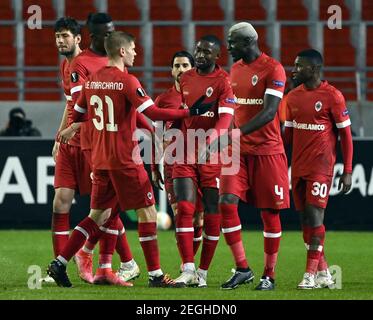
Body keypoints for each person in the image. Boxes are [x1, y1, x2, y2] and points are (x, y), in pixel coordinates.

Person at [47, 31, 214, 288]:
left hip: (101, 159)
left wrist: (69, 130)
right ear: (122, 51)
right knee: (147, 212)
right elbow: (154, 112)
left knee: (97, 216)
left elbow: (78, 113)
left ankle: (59, 262)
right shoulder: (127, 80)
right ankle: (156, 275)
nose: (137, 53)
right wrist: (190, 111)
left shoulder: (92, 80)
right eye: (134, 49)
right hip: (126, 159)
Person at [54, 14, 139, 286]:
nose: (111, 38)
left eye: (114, 32)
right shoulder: (78, 64)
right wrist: (61, 135)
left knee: (105, 209)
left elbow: (127, 106)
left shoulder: (116, 65)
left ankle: (112, 264)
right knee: (76, 205)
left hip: (95, 143)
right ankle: (76, 261)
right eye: (106, 33)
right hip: (86, 143)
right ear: (93, 36)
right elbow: (76, 106)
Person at [218, 22, 289, 291]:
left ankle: (269, 275)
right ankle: (243, 268)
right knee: (226, 202)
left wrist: (237, 134)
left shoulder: (273, 68)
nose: (228, 47)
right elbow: (234, 112)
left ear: (248, 42)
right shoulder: (234, 70)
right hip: (236, 151)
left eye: (232, 42)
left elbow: (270, 112)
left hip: (267, 151)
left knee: (269, 213)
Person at [284, 49, 353, 289]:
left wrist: (348, 170)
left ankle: (309, 275)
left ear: (314, 69)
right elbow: (288, 136)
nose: (294, 70)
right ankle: (324, 273)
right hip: (298, 167)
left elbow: (345, 135)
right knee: (304, 219)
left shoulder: (333, 96)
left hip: (321, 168)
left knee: (315, 216)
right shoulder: (292, 97)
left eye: (299, 66)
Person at [171, 35, 236, 287]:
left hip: (214, 153)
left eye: (206, 52)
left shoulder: (224, 81)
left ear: (216, 56)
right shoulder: (185, 78)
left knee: (211, 212)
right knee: (185, 208)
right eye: (198, 50)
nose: (200, 55)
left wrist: (211, 143)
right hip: (185, 150)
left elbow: (225, 119)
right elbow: (184, 113)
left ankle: (203, 272)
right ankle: (187, 268)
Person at [152, 50, 204, 264]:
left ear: (193, 68)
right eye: (177, 65)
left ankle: (188, 264)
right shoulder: (163, 99)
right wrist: (155, 167)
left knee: (199, 217)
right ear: (172, 70)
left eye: (185, 65)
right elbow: (156, 136)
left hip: (200, 162)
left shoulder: (203, 96)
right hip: (173, 163)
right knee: (180, 212)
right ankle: (187, 264)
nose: (181, 69)